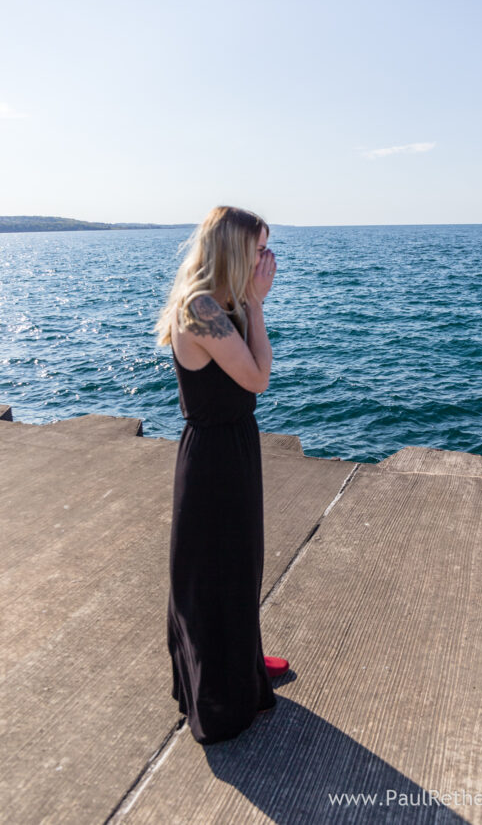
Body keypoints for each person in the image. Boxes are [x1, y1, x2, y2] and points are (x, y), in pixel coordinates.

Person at [153, 205, 289, 744]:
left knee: (238, 564)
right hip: (213, 457)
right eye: (259, 249)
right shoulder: (201, 307)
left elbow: (253, 378)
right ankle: (219, 694)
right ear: (234, 249)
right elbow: (258, 378)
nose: (267, 259)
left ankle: (244, 663)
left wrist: (250, 303)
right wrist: (257, 304)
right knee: (215, 572)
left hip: (233, 446)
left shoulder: (223, 302)